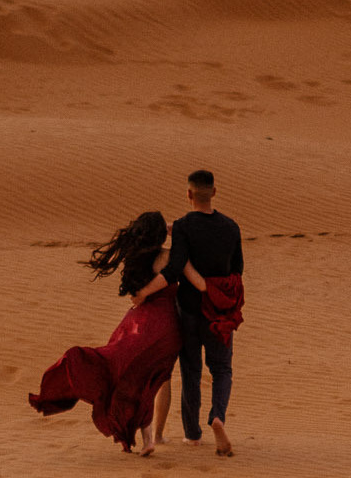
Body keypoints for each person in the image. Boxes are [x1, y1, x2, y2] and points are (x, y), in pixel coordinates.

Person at [28, 210, 208, 455]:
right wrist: (176, 232)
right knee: (158, 379)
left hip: (136, 322)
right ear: (161, 234)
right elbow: (195, 278)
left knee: (134, 376)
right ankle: (155, 436)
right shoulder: (170, 257)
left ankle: (149, 439)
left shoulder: (135, 259)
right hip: (166, 326)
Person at [141, 169, 243, 456]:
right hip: (218, 313)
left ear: (188, 194)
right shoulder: (232, 227)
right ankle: (218, 417)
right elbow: (238, 270)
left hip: (188, 311)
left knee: (190, 371)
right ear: (214, 192)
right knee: (222, 369)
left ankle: (192, 435)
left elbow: (174, 269)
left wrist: (143, 292)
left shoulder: (184, 227)